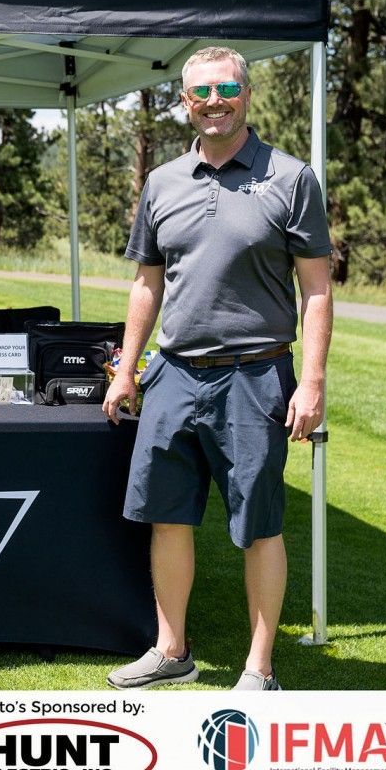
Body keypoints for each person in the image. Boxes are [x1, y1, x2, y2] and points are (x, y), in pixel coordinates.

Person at [102, 46, 333, 692]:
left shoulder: (291, 179)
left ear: (247, 94)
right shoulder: (163, 183)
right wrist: (128, 369)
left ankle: (260, 669)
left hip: (255, 376)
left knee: (258, 523)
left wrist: (311, 383)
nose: (213, 100)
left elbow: (317, 290)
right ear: (184, 102)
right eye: (199, 92)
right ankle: (172, 649)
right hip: (172, 374)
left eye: (225, 87)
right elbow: (147, 284)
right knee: (167, 515)